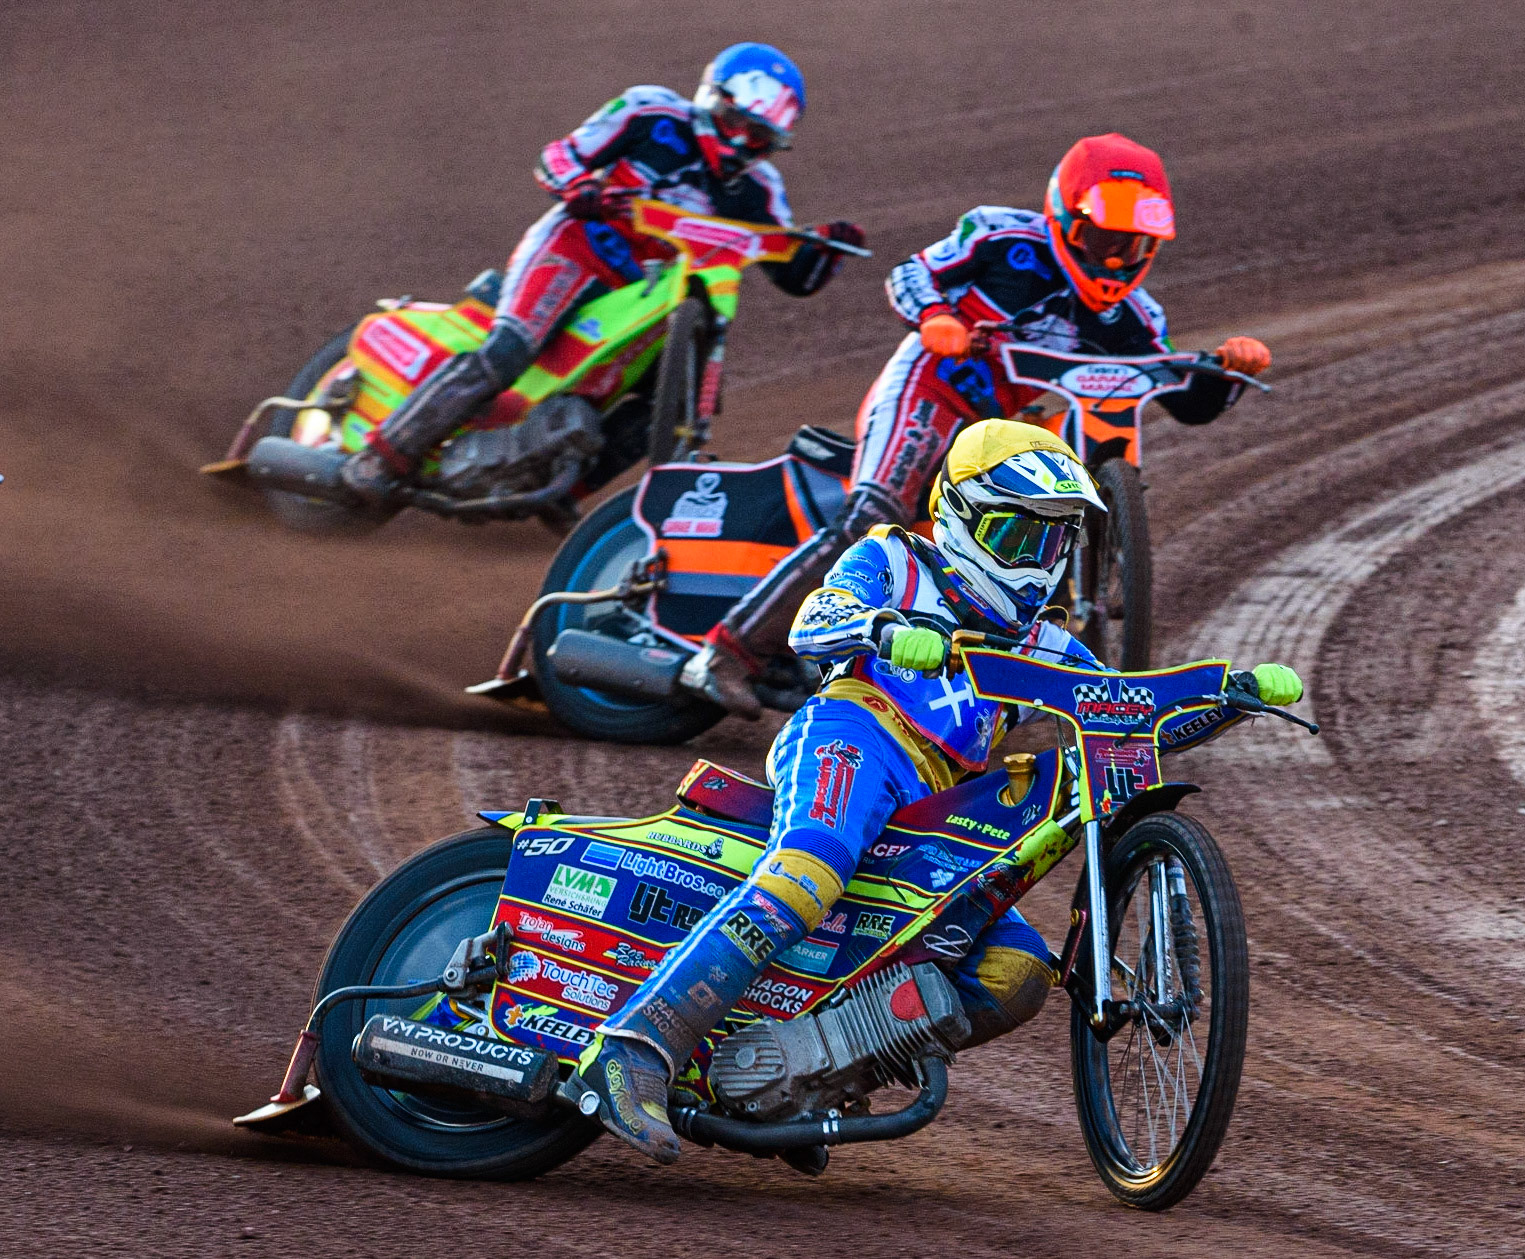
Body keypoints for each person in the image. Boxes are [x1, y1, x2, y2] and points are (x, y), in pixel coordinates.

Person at [576, 419, 1304, 1163]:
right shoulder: (895, 557)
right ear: (963, 517)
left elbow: (1120, 712)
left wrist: (1225, 698)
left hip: (940, 805)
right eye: (1021, 537)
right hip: (853, 735)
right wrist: (885, 627)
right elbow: (813, 622)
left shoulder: (1045, 641)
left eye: (1055, 544)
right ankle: (632, 1047)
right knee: (808, 872)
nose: (1038, 565)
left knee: (1015, 973)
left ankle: (800, 1078)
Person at [679, 131, 1270, 718]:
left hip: (1009, 440)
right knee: (874, 516)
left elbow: (1182, 397)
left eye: (1132, 246)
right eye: (1101, 240)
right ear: (1064, 221)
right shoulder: (1000, 239)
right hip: (933, 390)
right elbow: (909, 275)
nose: (1114, 260)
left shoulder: (1137, 317)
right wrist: (936, 316)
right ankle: (726, 654)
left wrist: (1229, 371)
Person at [340, 43, 864, 502]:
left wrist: (828, 250)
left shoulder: (760, 190)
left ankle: (562, 493)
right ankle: (383, 457)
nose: (741, 146)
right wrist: (580, 188)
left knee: (664, 400)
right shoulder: (650, 112)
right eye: (737, 126)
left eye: (760, 139)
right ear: (713, 98)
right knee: (509, 350)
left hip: (647, 293)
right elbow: (559, 157)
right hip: (578, 246)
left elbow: (792, 274)